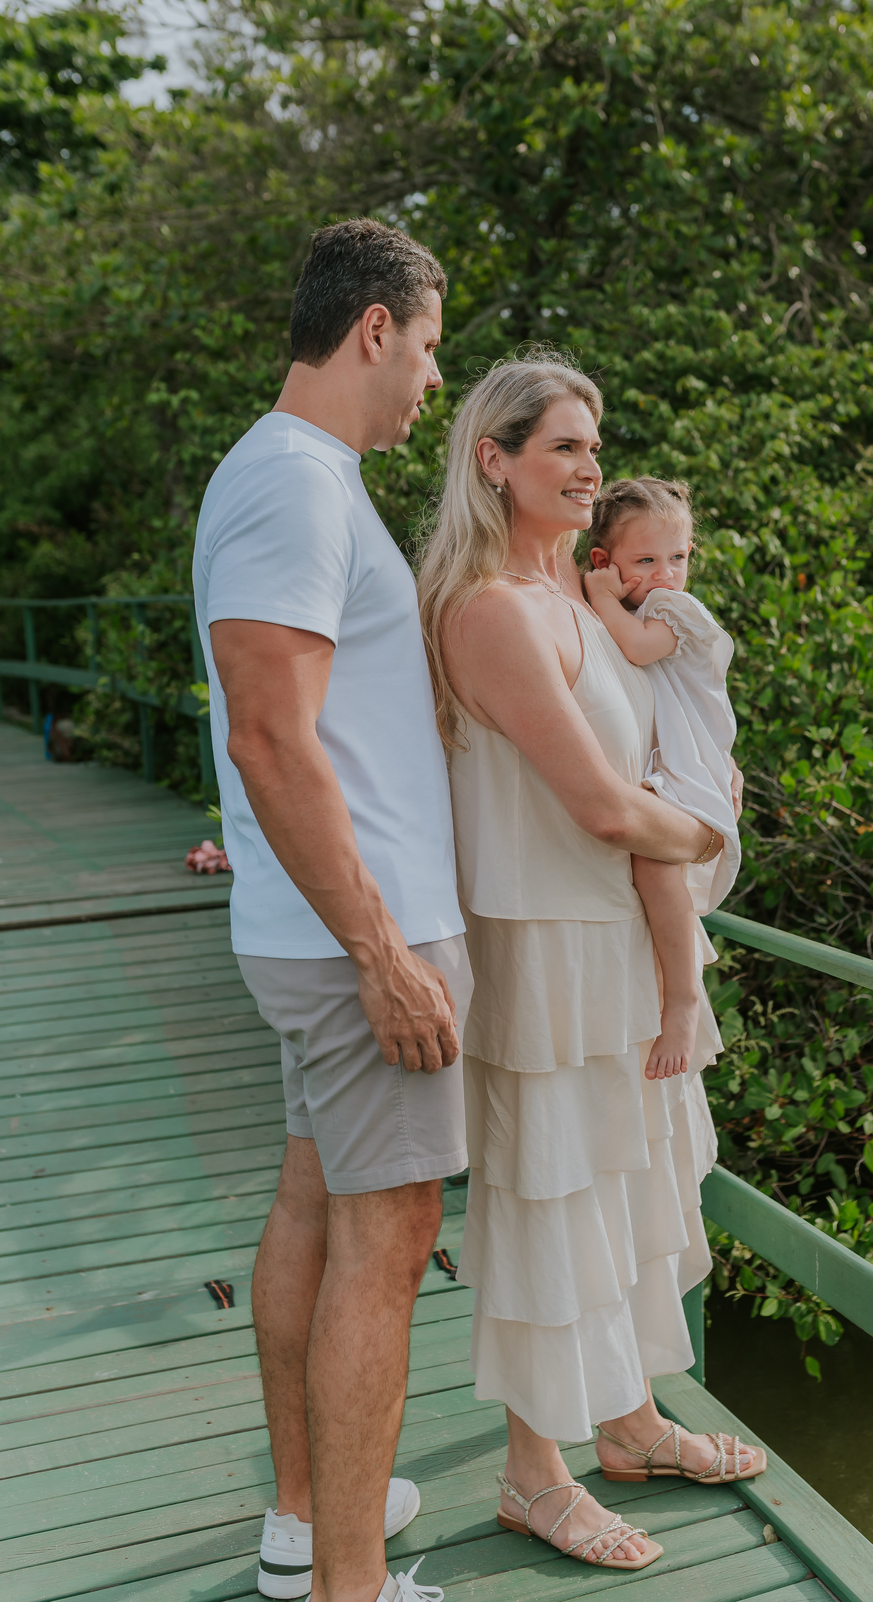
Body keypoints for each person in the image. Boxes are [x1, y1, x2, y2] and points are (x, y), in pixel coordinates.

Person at [417, 351, 766, 1576]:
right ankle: (533, 1474)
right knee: (551, 1202)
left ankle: (628, 1423)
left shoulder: (571, 587)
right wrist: (713, 830)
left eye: (594, 443)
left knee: (627, 1192)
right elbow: (606, 811)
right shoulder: (490, 610)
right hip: (547, 956)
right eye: (563, 445)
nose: (590, 465)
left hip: (613, 945)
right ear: (493, 460)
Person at [193, 218, 466, 1602]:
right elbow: (270, 739)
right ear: (374, 328)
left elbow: (306, 729)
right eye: (426, 348)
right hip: (360, 942)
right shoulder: (294, 484)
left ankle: (311, 1520)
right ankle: (348, 1591)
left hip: (323, 934)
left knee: (319, 1208)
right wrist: (383, 952)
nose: (431, 379)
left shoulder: (295, 478)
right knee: (388, 1240)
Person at [583, 476, 741, 1080]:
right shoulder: (631, 604)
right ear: (607, 561)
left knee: (656, 865)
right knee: (650, 871)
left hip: (690, 761)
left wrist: (600, 598)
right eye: (646, 561)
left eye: (677, 558)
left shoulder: (672, 609)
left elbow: (641, 650)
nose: (666, 573)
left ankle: (682, 998)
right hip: (669, 758)